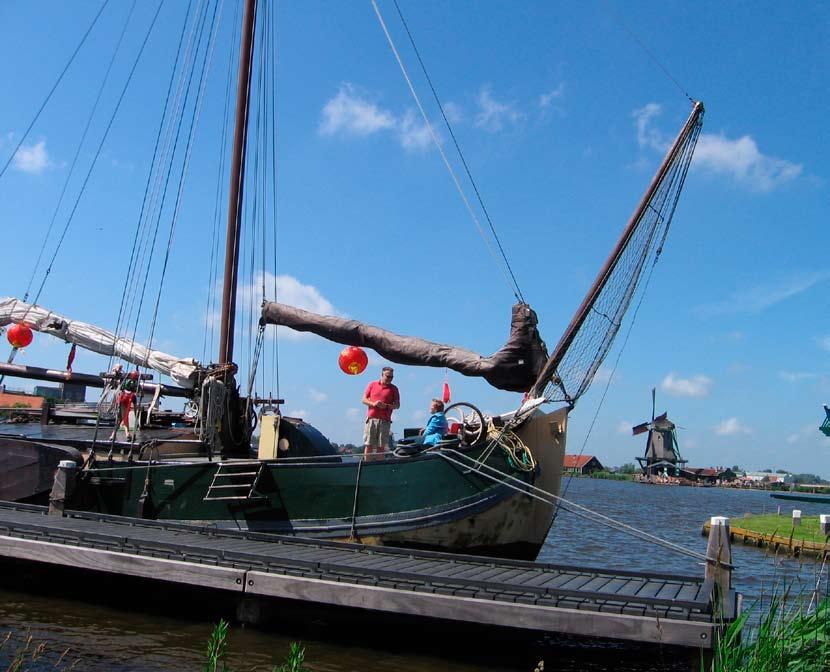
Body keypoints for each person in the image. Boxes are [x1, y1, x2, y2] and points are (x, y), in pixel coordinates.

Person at [362, 366, 400, 461]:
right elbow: (363, 399)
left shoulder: (394, 389)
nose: (389, 379)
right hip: (372, 419)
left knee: (381, 446)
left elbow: (397, 405)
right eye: (387, 376)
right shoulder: (372, 385)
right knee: (368, 444)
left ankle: (379, 466)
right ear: (382, 375)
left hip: (385, 420)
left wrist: (386, 406)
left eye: (391, 377)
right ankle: (367, 466)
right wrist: (374, 404)